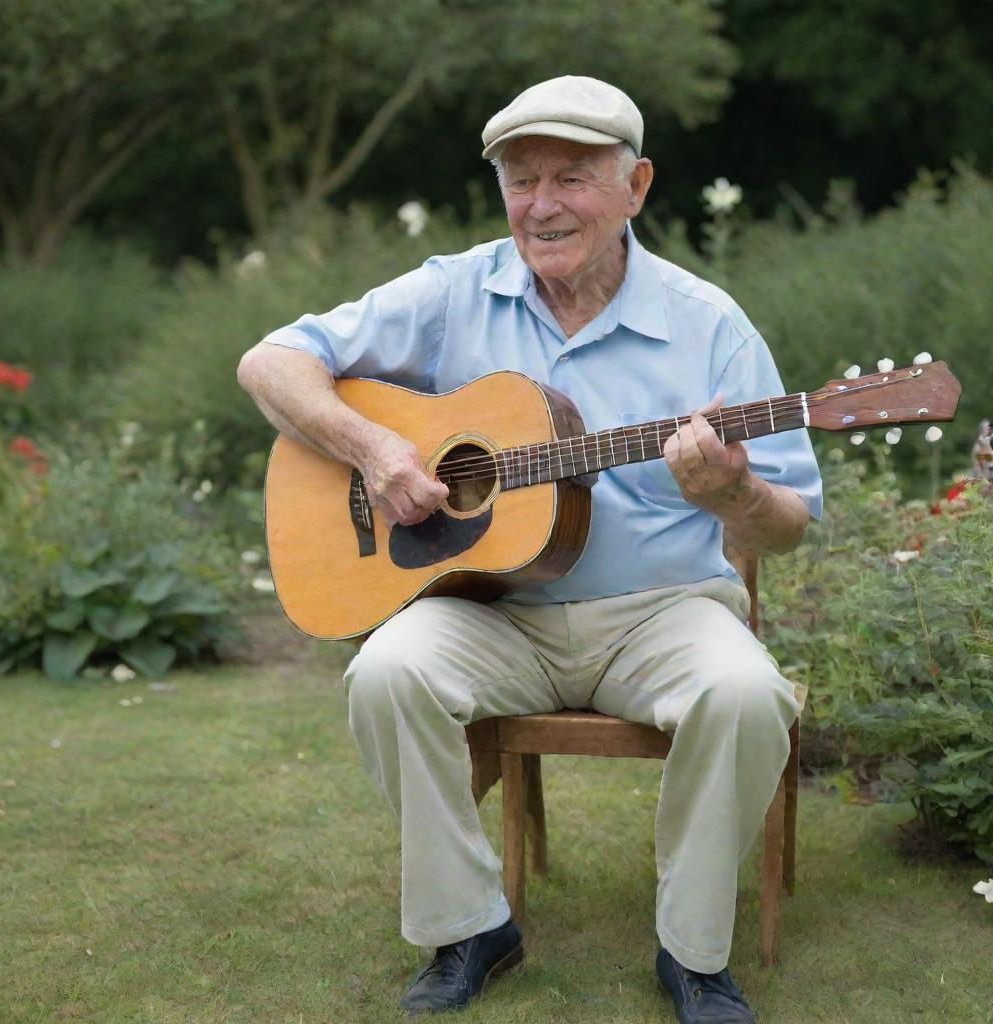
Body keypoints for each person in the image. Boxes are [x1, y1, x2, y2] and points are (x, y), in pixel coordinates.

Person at [237, 76, 822, 1024]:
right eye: (521, 179)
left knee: (749, 695)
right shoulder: (450, 291)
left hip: (661, 614)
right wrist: (377, 449)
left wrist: (736, 492)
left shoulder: (709, 322)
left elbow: (788, 525)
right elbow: (270, 362)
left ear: (636, 186)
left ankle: (694, 954)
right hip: (493, 612)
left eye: (573, 179)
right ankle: (470, 928)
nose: (542, 205)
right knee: (386, 673)